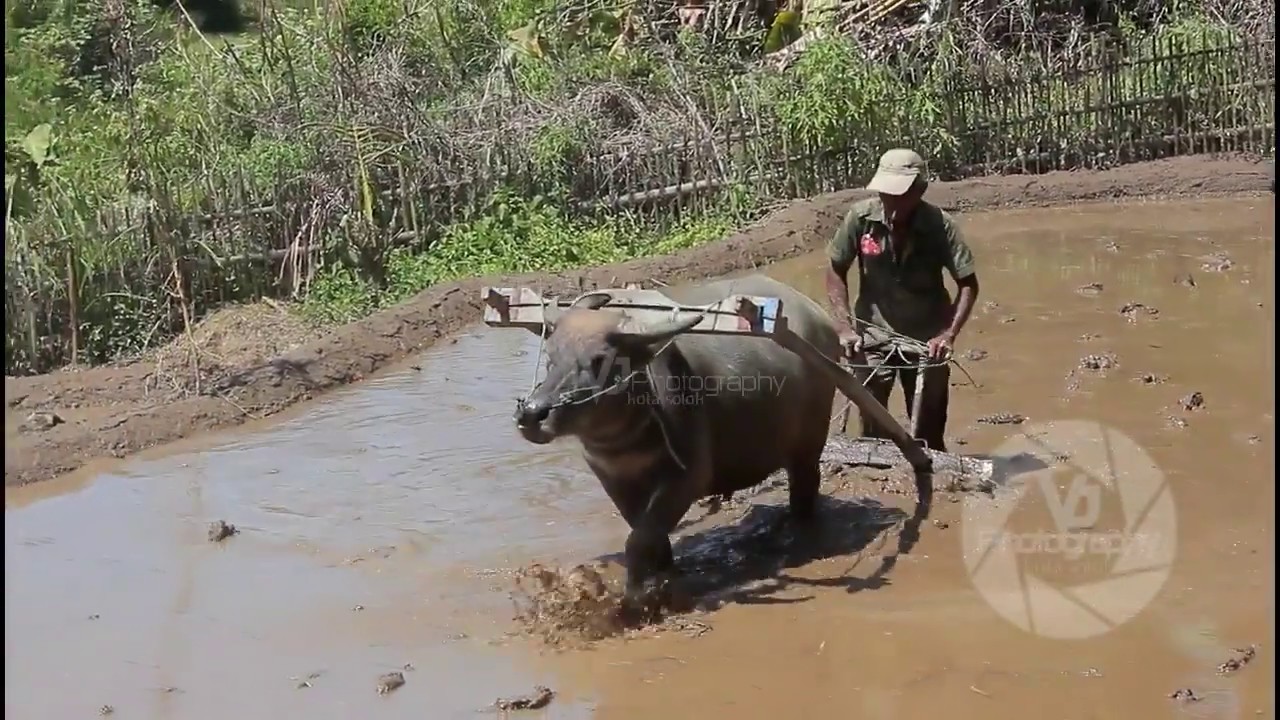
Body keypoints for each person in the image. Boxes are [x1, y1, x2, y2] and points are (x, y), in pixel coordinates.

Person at [824, 148, 980, 452]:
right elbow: (835, 269)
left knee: (928, 427)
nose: (890, 202)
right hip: (871, 333)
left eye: (900, 195)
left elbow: (968, 284)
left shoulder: (939, 226)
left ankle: (931, 465)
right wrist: (843, 326)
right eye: (886, 193)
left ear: (919, 190)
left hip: (926, 338)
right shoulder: (861, 218)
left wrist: (947, 335)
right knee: (871, 422)